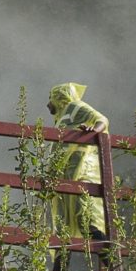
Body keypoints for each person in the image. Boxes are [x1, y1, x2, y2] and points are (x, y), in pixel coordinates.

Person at [45, 80, 109, 246]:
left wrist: (94, 131)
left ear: (60, 97)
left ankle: (107, 255)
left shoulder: (74, 107)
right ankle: (61, 262)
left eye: (51, 98)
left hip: (82, 169)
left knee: (85, 212)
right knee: (63, 219)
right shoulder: (62, 119)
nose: (48, 104)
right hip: (66, 174)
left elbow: (101, 119)